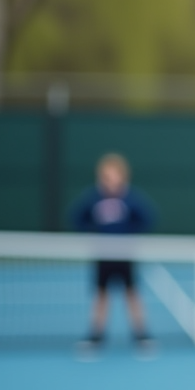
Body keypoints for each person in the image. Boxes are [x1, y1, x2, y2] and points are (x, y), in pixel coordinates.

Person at [70, 153, 156, 357]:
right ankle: (96, 335)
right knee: (101, 294)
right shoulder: (93, 198)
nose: (110, 180)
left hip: (125, 255)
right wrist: (91, 231)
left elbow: (147, 217)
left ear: (123, 176)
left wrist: (131, 234)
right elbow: (77, 217)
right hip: (103, 255)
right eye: (105, 176)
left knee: (132, 293)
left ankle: (141, 334)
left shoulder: (131, 198)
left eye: (114, 175)